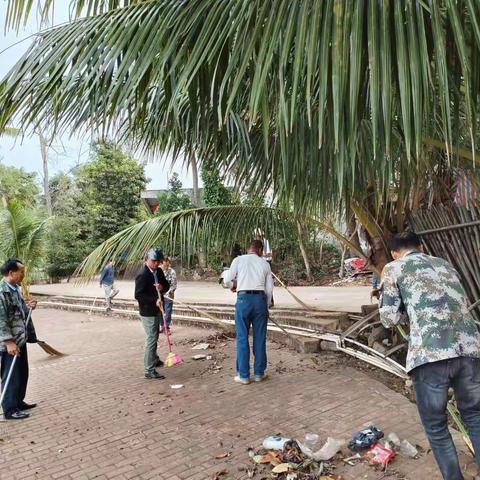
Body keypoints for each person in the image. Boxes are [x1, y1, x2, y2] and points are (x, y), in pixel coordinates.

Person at [379, 232, 480, 480]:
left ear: (394, 253)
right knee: (476, 417)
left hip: (430, 355)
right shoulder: (444, 263)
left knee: (436, 427)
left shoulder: (393, 268)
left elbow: (389, 318)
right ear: (421, 247)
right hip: (470, 349)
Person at [228, 239, 274, 385]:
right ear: (260, 250)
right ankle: (259, 373)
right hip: (259, 301)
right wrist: (265, 306)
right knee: (259, 338)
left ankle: (244, 375)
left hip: (243, 300)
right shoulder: (265, 264)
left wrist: (233, 286)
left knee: (242, 338)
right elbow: (269, 290)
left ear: (250, 248)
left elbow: (228, 280)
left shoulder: (238, 260)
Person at [0, 258, 38, 420]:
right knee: (11, 374)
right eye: (21, 272)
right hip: (10, 343)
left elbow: (19, 312)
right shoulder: (2, 292)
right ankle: (9, 409)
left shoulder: (14, 289)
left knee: (22, 373)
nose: (23, 275)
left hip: (20, 339)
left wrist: (29, 307)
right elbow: (1, 319)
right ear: (11, 273)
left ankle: (18, 401)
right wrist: (9, 342)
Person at [134, 248, 170, 380]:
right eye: (153, 261)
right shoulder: (142, 274)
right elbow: (138, 295)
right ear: (147, 260)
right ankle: (149, 369)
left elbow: (166, 285)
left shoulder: (159, 271)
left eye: (158, 262)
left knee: (154, 336)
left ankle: (154, 359)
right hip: (147, 311)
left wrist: (162, 287)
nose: (156, 264)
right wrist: (154, 300)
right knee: (151, 339)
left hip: (158, 309)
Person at [160, 257, 177, 333]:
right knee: (160, 310)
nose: (165, 267)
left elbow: (174, 285)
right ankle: (162, 326)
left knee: (168, 311)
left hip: (169, 294)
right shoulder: (158, 271)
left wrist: (169, 292)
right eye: (164, 265)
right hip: (160, 294)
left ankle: (166, 327)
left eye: (167, 265)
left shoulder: (172, 272)